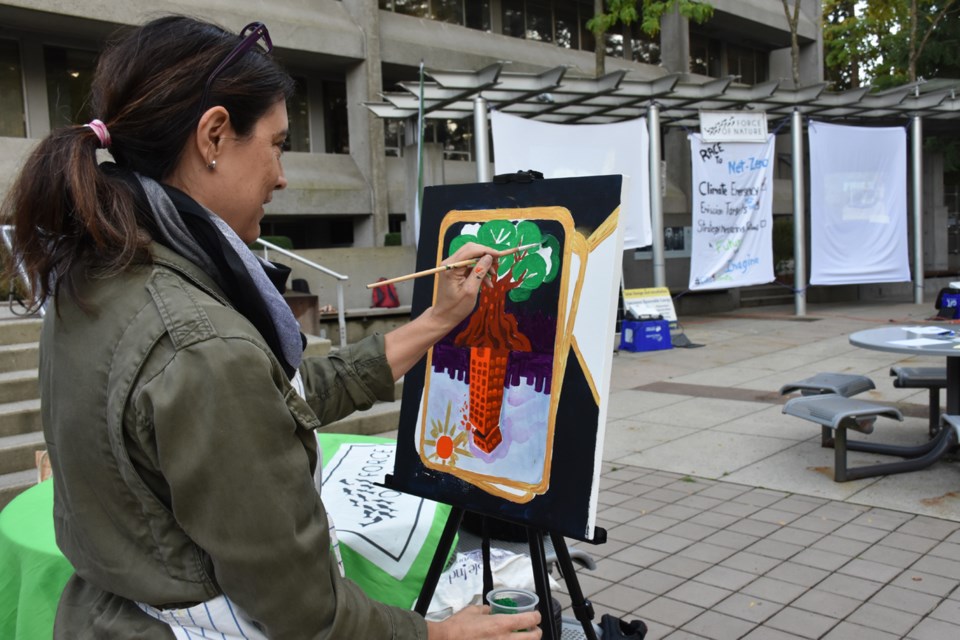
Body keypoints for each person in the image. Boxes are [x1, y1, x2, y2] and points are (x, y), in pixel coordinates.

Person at [2, 15, 541, 640]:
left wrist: (438, 321)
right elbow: (305, 610)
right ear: (213, 136)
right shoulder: (199, 343)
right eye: (278, 144)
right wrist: (435, 635)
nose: (282, 176)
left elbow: (277, 395)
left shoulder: (94, 278)